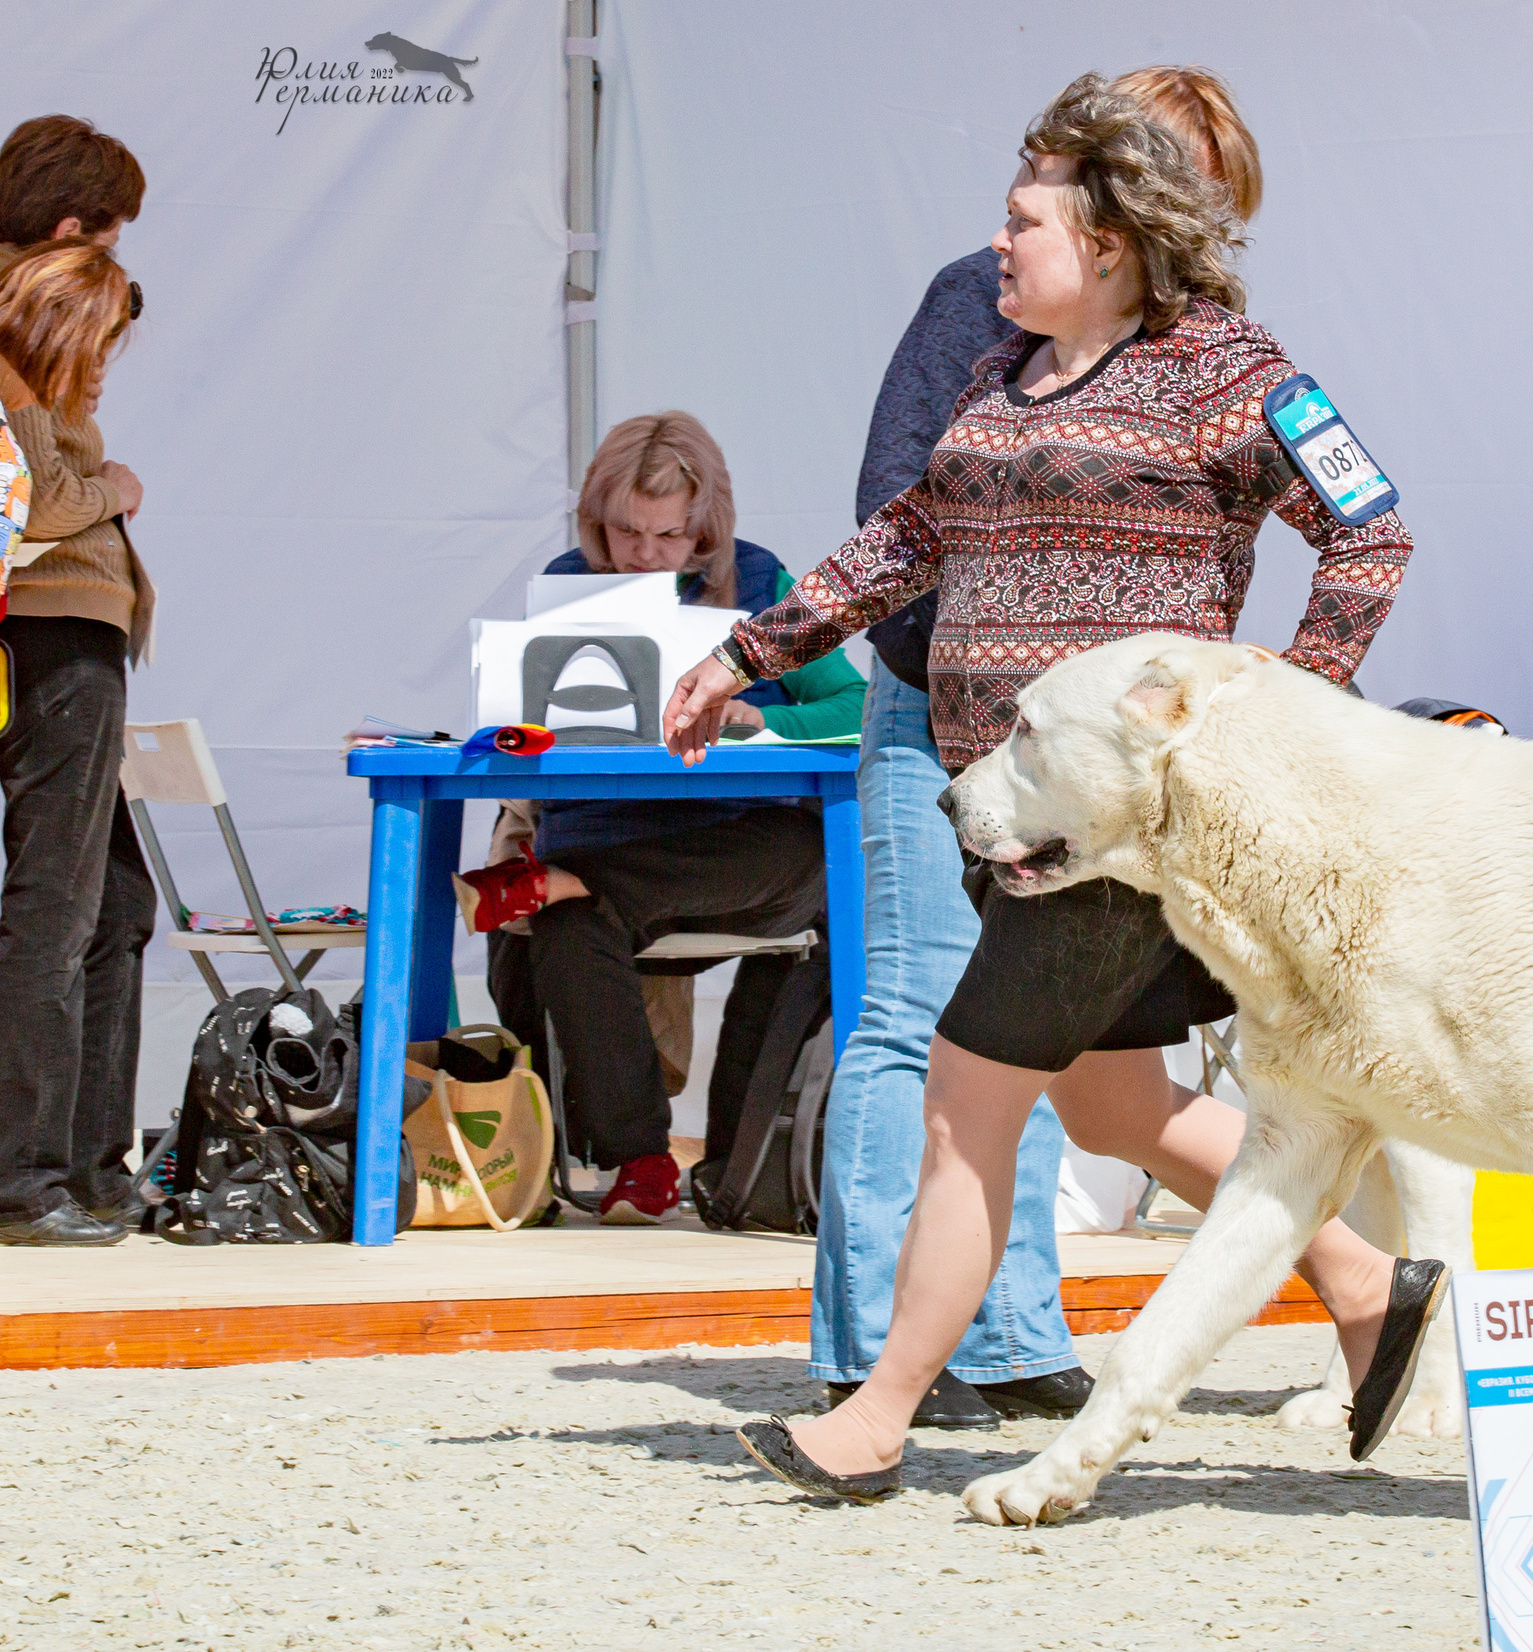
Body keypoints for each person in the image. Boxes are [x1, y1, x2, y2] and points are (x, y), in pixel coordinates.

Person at [662, 74, 1439, 1499]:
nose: (999, 247)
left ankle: (876, 1413)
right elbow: (907, 536)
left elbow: (1371, 529)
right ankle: (1371, 1284)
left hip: (1111, 834)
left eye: (1026, 221)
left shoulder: (1233, 369)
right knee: (1109, 1105)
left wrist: (1286, 694)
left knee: (965, 1107)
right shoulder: (1004, 371)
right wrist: (745, 650)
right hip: (1004, 814)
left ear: (1115, 242)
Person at [812, 65, 1266, 1430]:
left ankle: (1003, 1334)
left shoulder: (1201, 352)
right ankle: (886, 1351)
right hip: (952, 722)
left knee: (1054, 1063)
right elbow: (904, 513)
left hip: (1078, 766)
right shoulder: (984, 295)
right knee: (924, 1028)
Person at [458, 412, 866, 1223]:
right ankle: (641, 1159)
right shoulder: (567, 581)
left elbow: (856, 707)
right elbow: (532, 725)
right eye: (623, 532)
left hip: (742, 855)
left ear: (705, 527)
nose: (644, 554)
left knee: (803, 855)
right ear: (594, 521)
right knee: (569, 926)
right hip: (612, 845)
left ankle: (556, 881)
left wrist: (763, 720)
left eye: (669, 536)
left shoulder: (761, 581)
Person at [0, 238, 151, 1245]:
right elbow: (40, 504)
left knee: (107, 905)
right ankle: (32, 1182)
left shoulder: (40, 392)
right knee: (54, 907)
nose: (106, 362)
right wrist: (119, 491)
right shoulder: (19, 384)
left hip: (64, 644)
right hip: (54, 646)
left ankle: (88, 1168)